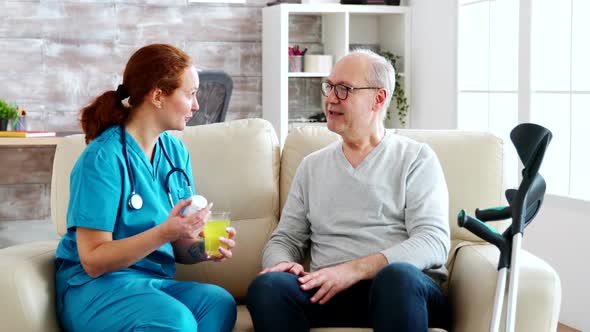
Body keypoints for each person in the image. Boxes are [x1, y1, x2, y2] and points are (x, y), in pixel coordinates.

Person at [246, 49, 451, 332]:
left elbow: (433, 241)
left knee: (397, 277)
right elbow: (285, 239)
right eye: (329, 86)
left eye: (343, 89)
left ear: (378, 98)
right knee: (268, 286)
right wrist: (282, 263)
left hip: (402, 292)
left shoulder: (416, 158)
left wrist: (352, 271)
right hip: (330, 293)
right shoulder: (312, 166)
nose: (330, 98)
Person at [55, 44, 237, 332]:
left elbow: (177, 247)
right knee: (175, 320)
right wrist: (165, 231)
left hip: (149, 282)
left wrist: (202, 250)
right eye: (190, 94)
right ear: (158, 95)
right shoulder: (103, 158)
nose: (197, 106)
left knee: (217, 303)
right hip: (95, 287)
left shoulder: (175, 153)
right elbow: (92, 260)